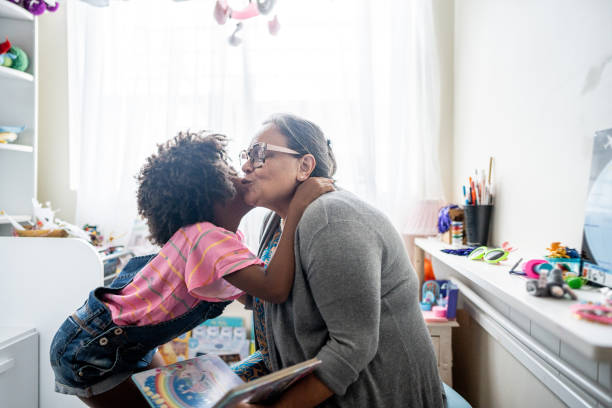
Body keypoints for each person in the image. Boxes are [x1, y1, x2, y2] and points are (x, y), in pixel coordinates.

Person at [49, 130, 334, 408]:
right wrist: (297, 208)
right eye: (230, 175)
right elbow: (273, 288)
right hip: (93, 348)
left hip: (124, 343)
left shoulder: (221, 241)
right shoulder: (206, 239)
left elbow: (253, 297)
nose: (243, 174)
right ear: (208, 196)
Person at [237, 113, 446, 407]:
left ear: (305, 166)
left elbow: (352, 346)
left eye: (259, 154)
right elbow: (267, 302)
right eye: (246, 155)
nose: (246, 165)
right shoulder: (276, 221)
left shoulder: (332, 219)